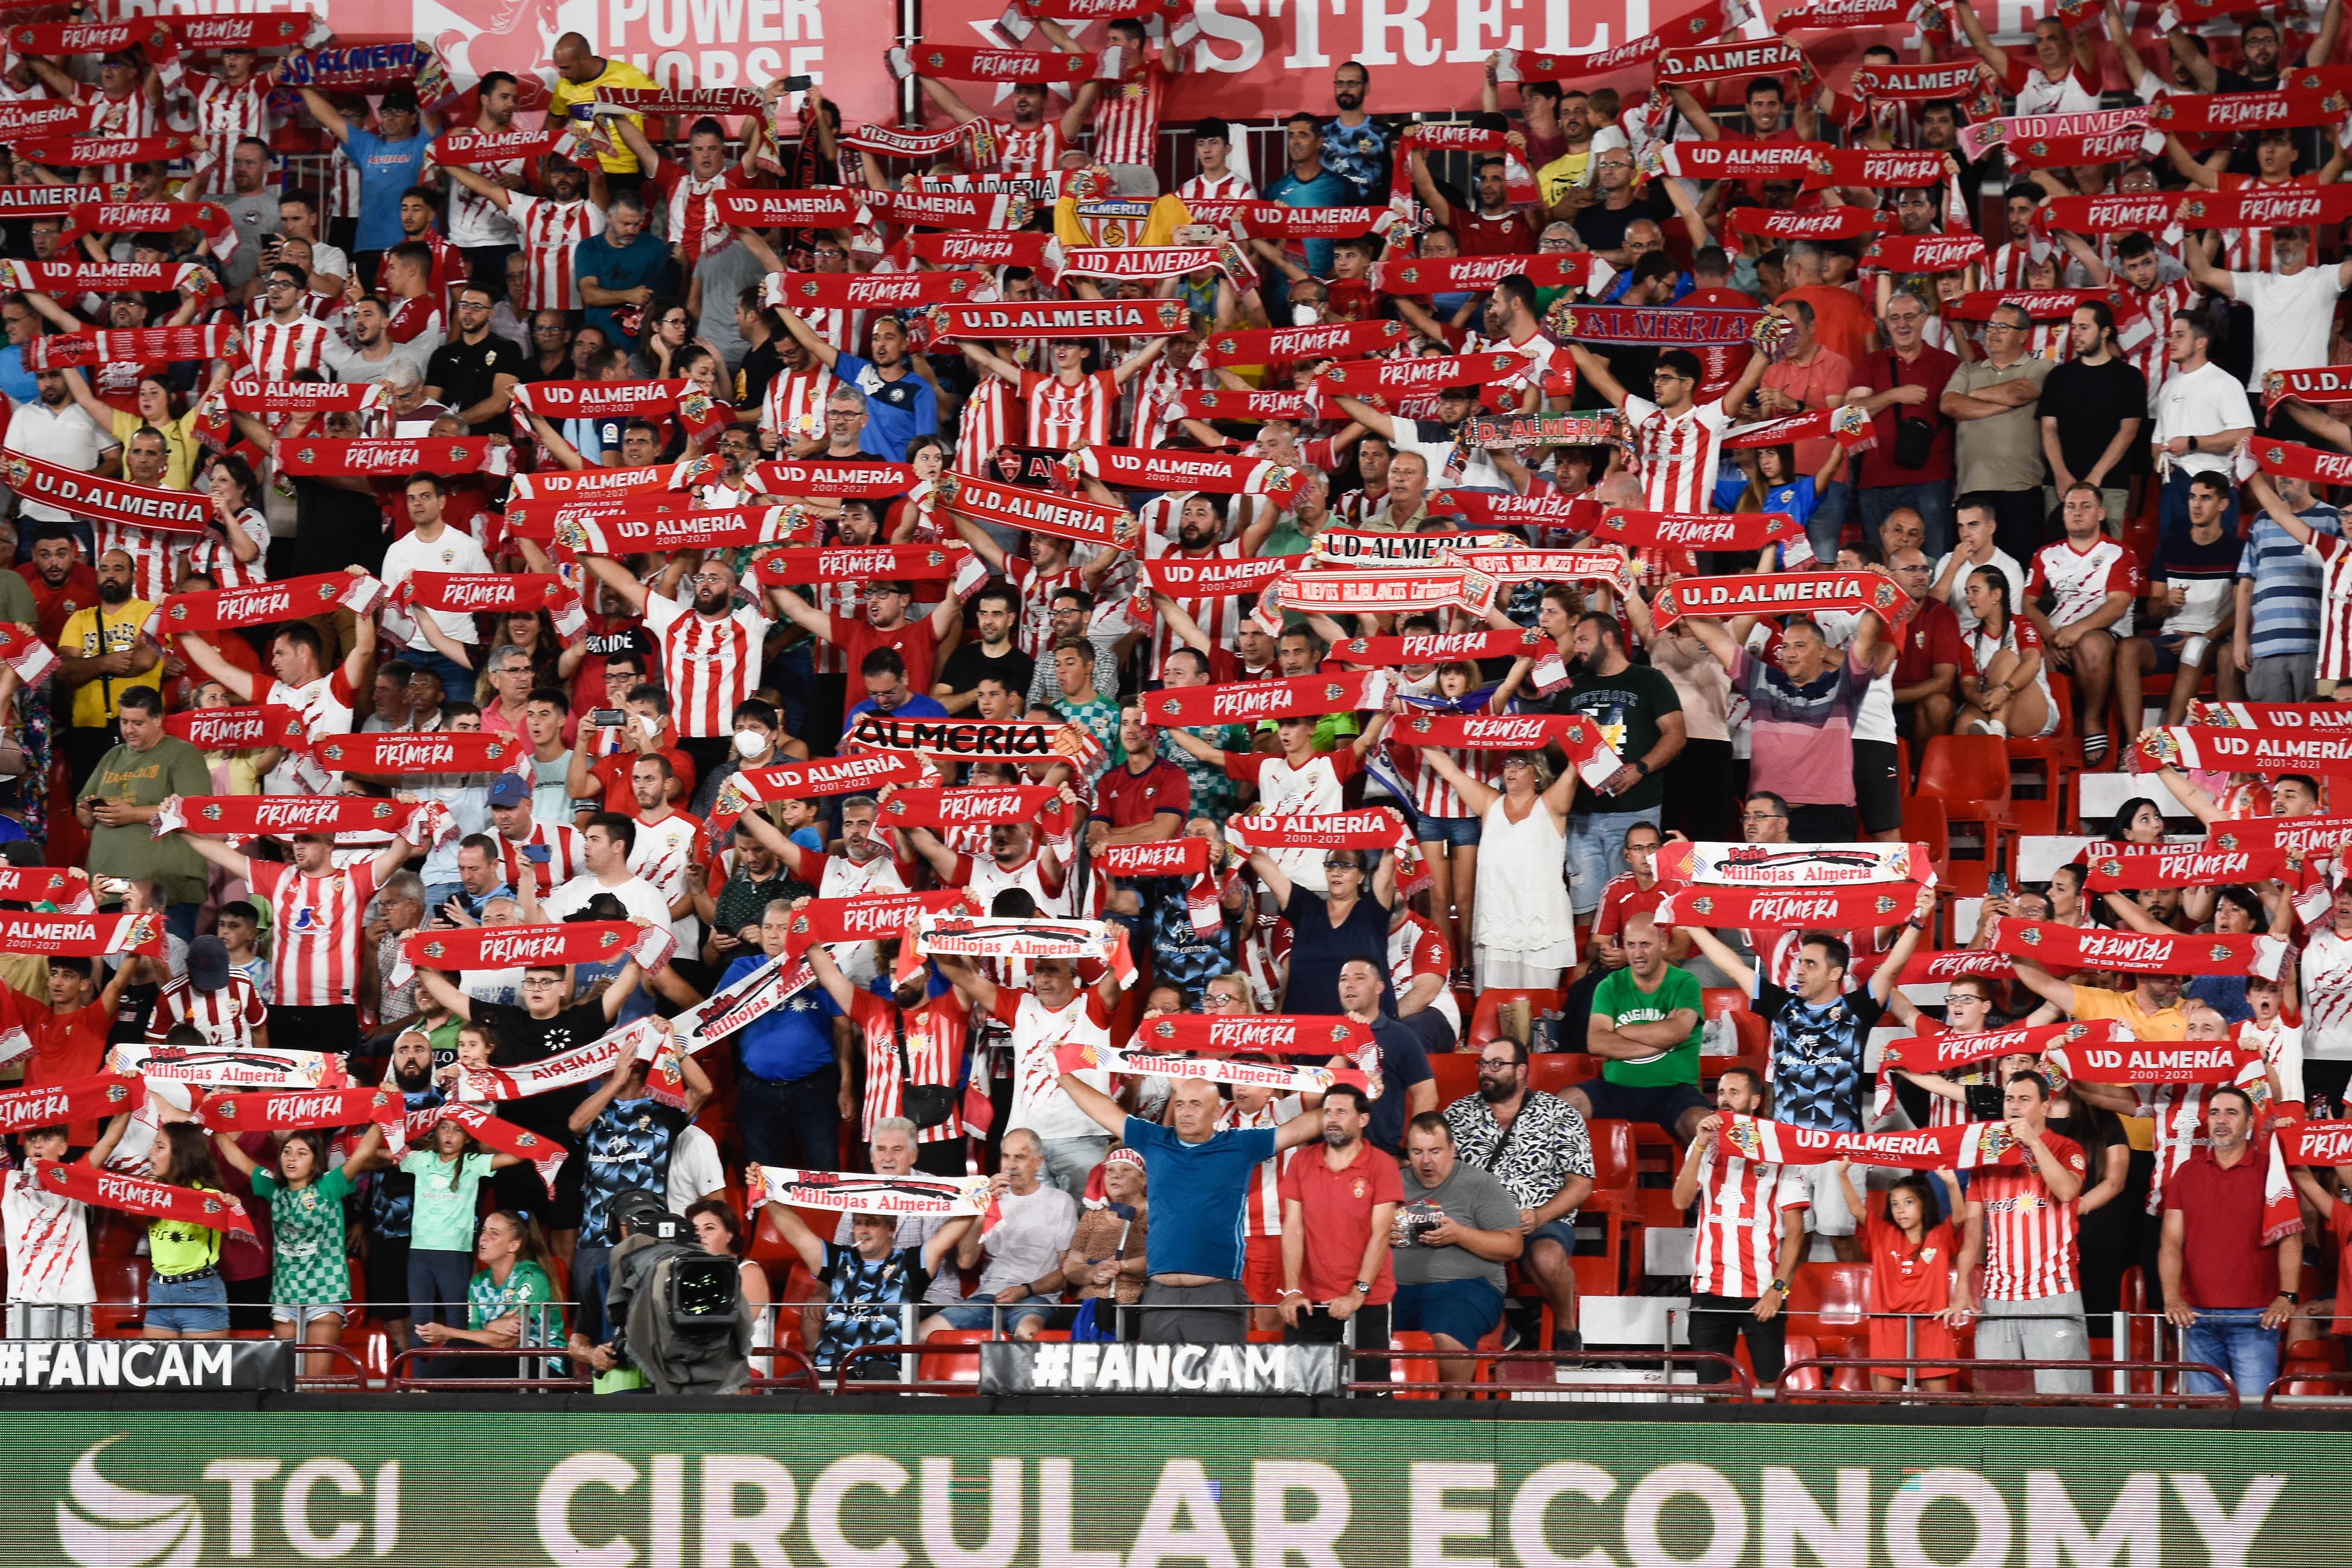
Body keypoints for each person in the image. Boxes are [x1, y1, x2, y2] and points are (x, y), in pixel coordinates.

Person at [1682, 885, 1936, 1260]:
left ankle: (1863, 1298)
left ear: (1836, 973)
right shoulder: (1781, 1006)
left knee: (1841, 1238)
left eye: (1810, 964)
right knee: (1790, 1239)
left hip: (1839, 1149)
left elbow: (1893, 967)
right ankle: (1784, 1297)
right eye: (1800, 962)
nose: (1799, 970)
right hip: (1789, 1149)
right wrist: (1690, 922)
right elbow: (1732, 965)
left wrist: (1917, 922)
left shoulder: (1856, 1010)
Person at [1049, 1064, 1324, 1346]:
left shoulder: (1239, 1145)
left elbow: (1301, 1128)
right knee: (1160, 1376)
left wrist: (1344, 1095)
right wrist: (1062, 1074)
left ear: (1217, 1113)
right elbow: (1104, 1110)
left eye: (1196, 1104)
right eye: (1180, 1104)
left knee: (1218, 1376)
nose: (1185, 1112)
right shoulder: (1156, 1140)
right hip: (1159, 1295)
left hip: (1216, 1295)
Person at [1443, 1039, 1593, 1352]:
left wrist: (1539, 1216)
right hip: (1475, 1220)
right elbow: (1437, 1170)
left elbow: (1581, 1183)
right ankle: (1499, 1327)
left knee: (1547, 1258)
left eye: (1497, 1064)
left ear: (1521, 1070)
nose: (1486, 1071)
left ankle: (1566, 1326)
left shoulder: (1559, 1113)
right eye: (1483, 1064)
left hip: (1537, 1215)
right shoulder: (1458, 1114)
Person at [2159, 1083, 2301, 1398]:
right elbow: (2170, 1243)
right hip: (2195, 1317)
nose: (2221, 1120)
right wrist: (2171, 1298)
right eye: (2215, 1113)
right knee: (2208, 1416)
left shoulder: (2272, 1171)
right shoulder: (2186, 1172)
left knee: (2253, 1413)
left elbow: (2290, 1237)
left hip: (2255, 1318)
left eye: (2231, 1113)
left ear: (2250, 1122)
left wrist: (2287, 1296)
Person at [211, 1124, 386, 1372]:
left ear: (315, 1163)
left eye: (302, 1153)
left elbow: (363, 1153)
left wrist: (381, 1115)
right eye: (287, 1152)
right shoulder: (273, 1187)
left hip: (324, 1296)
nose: (292, 1158)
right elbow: (235, 1157)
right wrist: (215, 1121)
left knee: (315, 1385)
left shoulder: (329, 1185)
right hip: (285, 1297)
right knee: (288, 1382)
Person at [1673, 1067, 1809, 1385]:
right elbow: (1680, 1201)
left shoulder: (1778, 1150)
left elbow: (1796, 1233)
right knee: (1713, 1390)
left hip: (1761, 1291)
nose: (1725, 1100)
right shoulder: (1704, 1146)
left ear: (1755, 1101)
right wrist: (1699, 1145)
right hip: (1709, 1289)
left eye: (1734, 1093)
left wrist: (1778, 1289)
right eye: (1721, 1092)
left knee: (1771, 1388)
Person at [753, 1188, 974, 1375]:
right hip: (829, 1369)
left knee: (874, 1380)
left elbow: (946, 1238)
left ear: (891, 1228)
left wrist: (977, 1197)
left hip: (880, 1370)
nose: (863, 1230)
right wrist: (767, 1192)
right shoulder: (837, 1259)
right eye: (858, 1223)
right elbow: (796, 1232)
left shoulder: (911, 1263)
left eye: (872, 1223)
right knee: (785, 1392)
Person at [1413, 747, 1580, 990]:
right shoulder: (1490, 803)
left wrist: (1584, 738)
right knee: (1496, 1008)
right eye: (1508, 764)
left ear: (1537, 774)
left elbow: (1574, 772)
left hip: (1541, 930)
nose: (1511, 769)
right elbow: (1451, 772)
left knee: (1539, 1007)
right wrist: (1420, 734)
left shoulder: (1551, 805)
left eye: (1520, 764)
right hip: (1497, 931)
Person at [1390, 1114, 1523, 1393]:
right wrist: (1382, 1234)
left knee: (1444, 1335)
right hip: (1394, 1292)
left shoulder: (1480, 1184)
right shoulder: (1392, 1184)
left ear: (1453, 1149)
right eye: (1417, 1152)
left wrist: (1460, 1234)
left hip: (1464, 1289)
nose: (1426, 1161)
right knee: (1359, 1330)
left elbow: (1513, 1246)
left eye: (1435, 1151)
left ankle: (1453, 1410)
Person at [75, 686, 209, 943]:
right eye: (124, 722)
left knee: (165, 961)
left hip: (165, 894)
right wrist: (90, 811)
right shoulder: (113, 756)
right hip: (110, 892)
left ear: (158, 719)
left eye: (138, 723)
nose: (129, 730)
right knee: (114, 966)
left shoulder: (183, 754)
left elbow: (195, 811)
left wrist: (132, 814)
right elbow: (82, 813)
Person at [1278, 1082, 1401, 1362]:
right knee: (1299, 1386)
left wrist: (1358, 1294)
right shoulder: (1300, 1161)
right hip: (1309, 1301)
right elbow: (1293, 1229)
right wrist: (1292, 1290)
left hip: (1367, 1300)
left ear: (1363, 1119)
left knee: (1367, 1387)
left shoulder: (1382, 1165)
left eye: (1341, 1112)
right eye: (1327, 1112)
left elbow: (1380, 1236)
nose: (1332, 1119)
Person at [927, 1130, 1077, 1340]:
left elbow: (1066, 1272)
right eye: (1006, 1157)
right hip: (988, 1296)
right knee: (922, 1333)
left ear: (1038, 1162)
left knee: (1028, 1334)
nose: (1011, 1165)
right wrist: (983, 1208)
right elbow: (965, 1261)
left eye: (1020, 1157)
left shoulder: (1060, 1201)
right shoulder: (989, 1198)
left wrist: (1025, 1290)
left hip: (1035, 1297)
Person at [1578, 913, 1710, 1146]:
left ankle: (1709, 1174)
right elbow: (1596, 1042)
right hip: (1616, 1090)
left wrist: (1623, 1031)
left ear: (1663, 943)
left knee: (1702, 1125)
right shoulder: (1609, 986)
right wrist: (1661, 1041)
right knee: (1566, 1105)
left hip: (1674, 1091)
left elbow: (1678, 1032)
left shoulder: (1685, 982)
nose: (1638, 954)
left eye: (1646, 944)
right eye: (1631, 945)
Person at [1833, 1161, 1960, 1391]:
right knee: (1887, 1407)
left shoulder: (1940, 1236)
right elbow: (1857, 1210)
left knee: (1940, 1407)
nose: (1901, 1210)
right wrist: (1842, 1174)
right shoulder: (1883, 1234)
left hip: (1932, 1328)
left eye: (1908, 1202)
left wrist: (1951, 1183)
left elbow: (1960, 1217)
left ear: (1924, 1204)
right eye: (1895, 1204)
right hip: (1888, 1328)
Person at [2, 1112, 129, 1339]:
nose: (38, 1144)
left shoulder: (77, 1177)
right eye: (32, 1138)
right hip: (26, 1303)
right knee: (29, 1365)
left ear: (63, 1147)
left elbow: (110, 1141)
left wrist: (125, 1098)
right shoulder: (9, 1183)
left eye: (47, 1138)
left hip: (73, 1301)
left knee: (76, 1364)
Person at [141, 1123, 237, 1342]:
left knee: (203, 1365)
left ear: (181, 1155)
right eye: (154, 1145)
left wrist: (232, 1205)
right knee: (157, 1364)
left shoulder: (210, 1197)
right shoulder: (150, 1194)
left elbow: (234, 1219)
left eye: (160, 1147)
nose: (151, 1152)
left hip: (199, 1293)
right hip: (158, 1293)